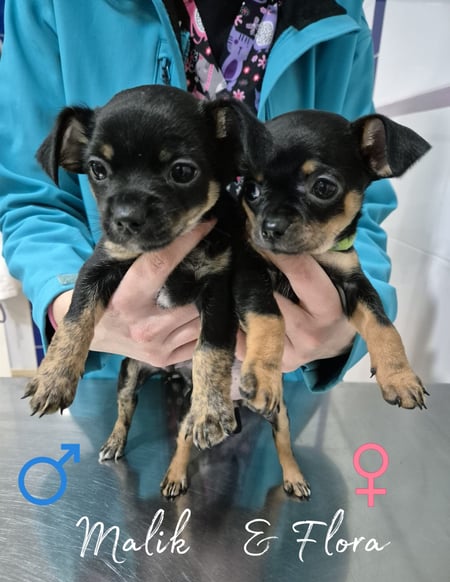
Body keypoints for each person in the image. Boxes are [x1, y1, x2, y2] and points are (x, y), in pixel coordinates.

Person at [0, 0, 397, 393]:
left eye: (180, 172)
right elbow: (31, 195)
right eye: (99, 171)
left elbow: (363, 198)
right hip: (115, 362)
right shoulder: (48, 7)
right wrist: (65, 299)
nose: (127, 212)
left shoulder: (340, 9)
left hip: (282, 374)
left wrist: (345, 327)